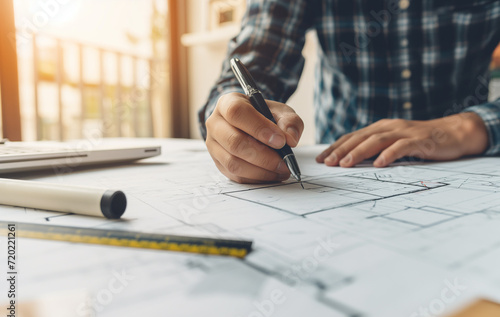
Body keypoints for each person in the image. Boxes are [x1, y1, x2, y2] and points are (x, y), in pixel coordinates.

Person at [198, 0, 500, 184]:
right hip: (341, 166)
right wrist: (233, 114)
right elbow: (257, 60)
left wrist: (471, 127)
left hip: (472, 161)